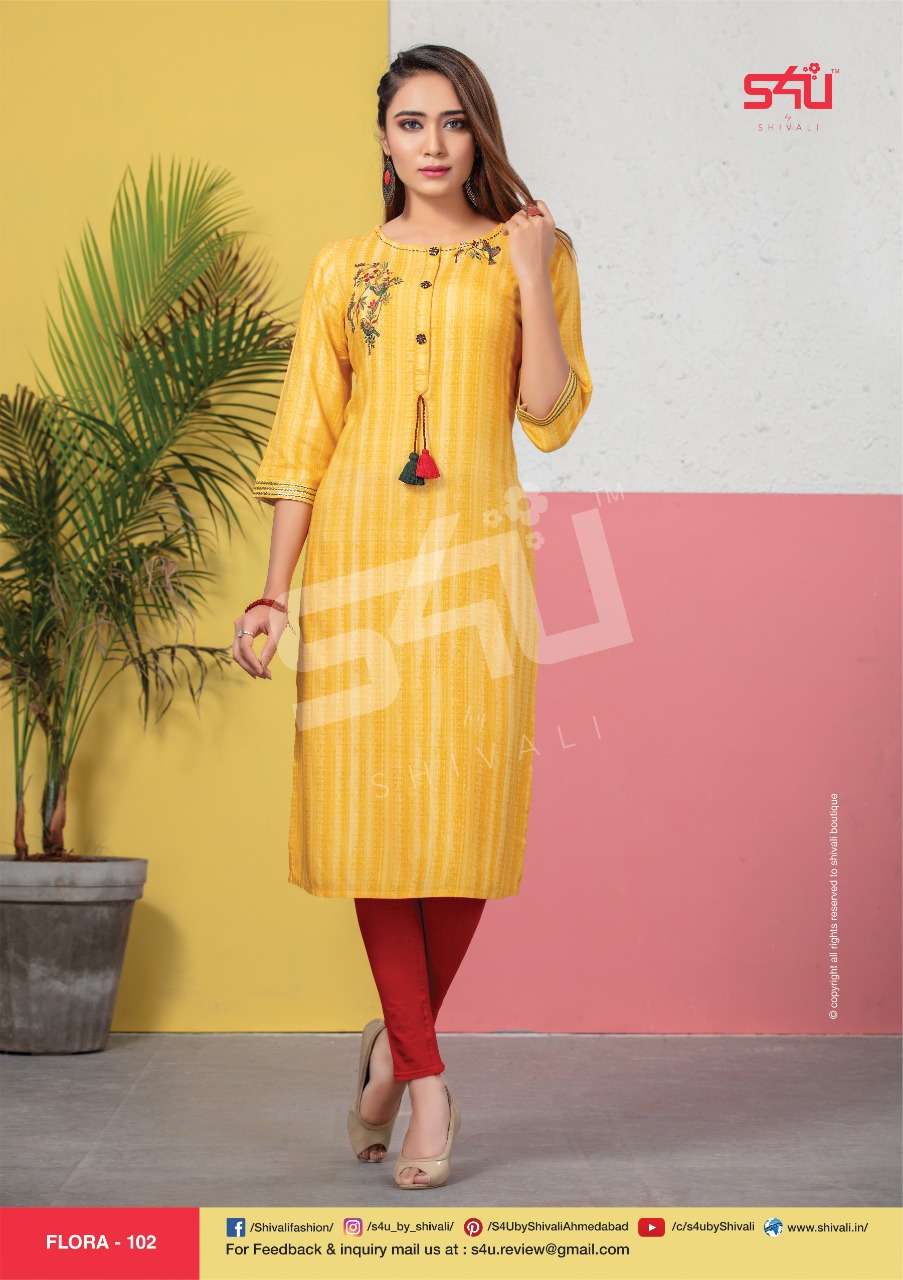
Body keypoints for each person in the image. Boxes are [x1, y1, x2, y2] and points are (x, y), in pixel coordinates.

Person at [232, 44, 593, 1189]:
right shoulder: (344, 268)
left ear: (479, 132)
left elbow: (548, 410)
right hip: (358, 567)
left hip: (477, 566)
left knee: (465, 820)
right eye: (410, 123)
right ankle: (425, 1078)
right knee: (372, 820)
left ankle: (392, 1048)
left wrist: (529, 270)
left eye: (452, 121)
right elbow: (304, 440)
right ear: (383, 141)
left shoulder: (534, 250)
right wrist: (273, 589)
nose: (432, 143)